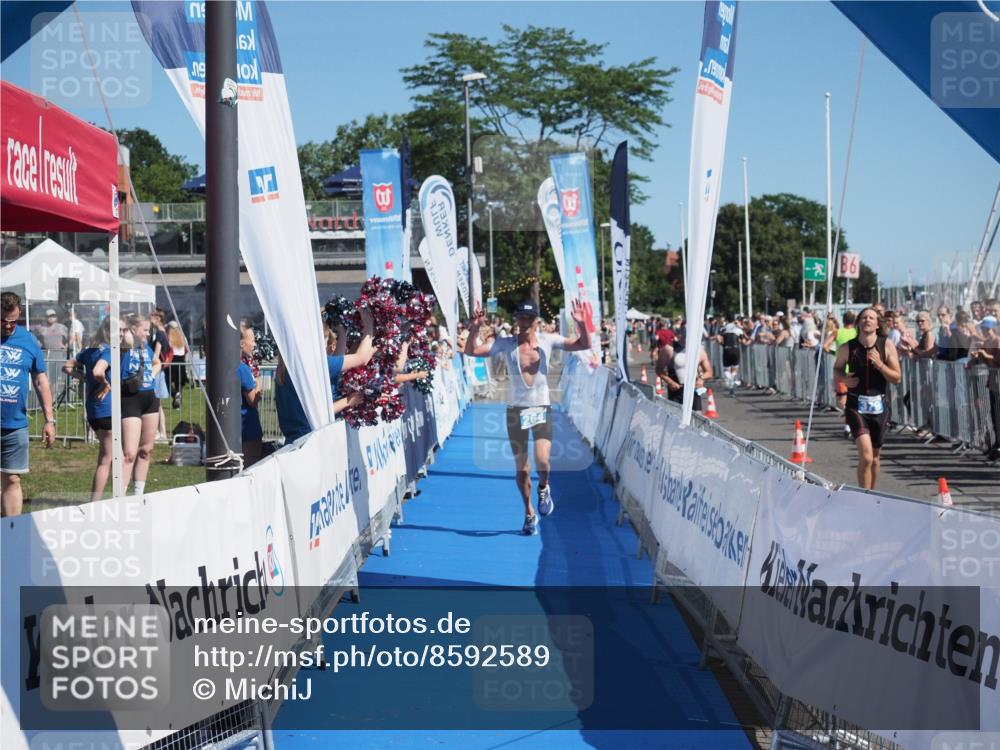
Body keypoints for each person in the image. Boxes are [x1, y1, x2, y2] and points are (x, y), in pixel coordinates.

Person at [465, 298, 591, 535]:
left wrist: (581, 324)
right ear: (516, 320)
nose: (524, 322)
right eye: (520, 318)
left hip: (540, 408)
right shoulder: (505, 344)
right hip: (516, 411)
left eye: (528, 318)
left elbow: (583, 344)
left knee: (542, 459)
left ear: (536, 320)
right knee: (522, 469)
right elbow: (471, 351)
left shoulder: (548, 340)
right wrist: (475, 328)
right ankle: (529, 512)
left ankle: (544, 487)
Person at [274, 309, 373, 444]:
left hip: (293, 441)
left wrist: (342, 333)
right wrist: (369, 328)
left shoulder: (286, 366)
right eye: (325, 339)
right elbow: (362, 358)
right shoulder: (315, 364)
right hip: (312, 440)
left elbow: (337, 363)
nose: (326, 345)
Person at [833, 307, 902, 490]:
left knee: (876, 458)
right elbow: (837, 368)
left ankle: (872, 492)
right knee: (866, 457)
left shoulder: (886, 345)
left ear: (878, 323)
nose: (867, 320)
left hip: (879, 405)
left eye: (871, 318)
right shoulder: (848, 347)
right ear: (858, 323)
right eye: (863, 318)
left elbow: (897, 377)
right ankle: (863, 494)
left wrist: (880, 364)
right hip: (856, 405)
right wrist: (844, 378)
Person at [1, 292, 56, 516]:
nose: (8, 326)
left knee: (12, 479)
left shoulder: (29, 340)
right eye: (3, 320)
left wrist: (50, 420)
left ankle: (11, 535)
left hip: (15, 426)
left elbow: (41, 382)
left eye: (13, 321)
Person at [64, 317, 122, 501]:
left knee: (109, 456)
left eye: (122, 330)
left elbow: (67, 367)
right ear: (106, 330)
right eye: (117, 330)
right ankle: (101, 502)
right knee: (111, 458)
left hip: (94, 409)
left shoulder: (90, 350)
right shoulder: (108, 351)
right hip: (106, 408)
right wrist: (105, 383)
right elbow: (98, 371)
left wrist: (84, 378)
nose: (120, 334)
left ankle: (105, 500)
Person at [120, 313, 161, 496]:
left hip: (149, 398)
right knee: (129, 453)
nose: (147, 333)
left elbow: (156, 362)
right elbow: (127, 336)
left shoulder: (146, 347)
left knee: (146, 450)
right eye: (144, 329)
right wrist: (129, 328)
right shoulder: (126, 344)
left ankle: (138, 494)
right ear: (133, 329)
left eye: (148, 330)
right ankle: (120, 495)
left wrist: (151, 374)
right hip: (130, 399)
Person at [656, 331, 714, 412]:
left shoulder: (699, 351)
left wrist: (701, 378)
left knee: (696, 419)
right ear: (679, 336)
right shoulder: (669, 349)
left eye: (688, 338)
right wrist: (670, 382)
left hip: (693, 390)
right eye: (684, 336)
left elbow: (709, 372)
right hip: (676, 390)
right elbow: (659, 370)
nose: (685, 340)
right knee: (676, 419)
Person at [238, 326, 263, 467]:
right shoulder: (242, 368)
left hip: (235, 428)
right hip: (248, 428)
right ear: (242, 343)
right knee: (251, 466)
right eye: (252, 341)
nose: (254, 345)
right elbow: (253, 400)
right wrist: (259, 381)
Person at [833, 311, 858, 438]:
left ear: (843, 320)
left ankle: (848, 424)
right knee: (852, 399)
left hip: (841, 370)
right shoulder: (857, 332)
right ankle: (850, 422)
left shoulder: (838, 332)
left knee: (842, 400)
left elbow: (825, 346)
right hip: (855, 370)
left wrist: (836, 354)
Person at [716, 315, 743, 395]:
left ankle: (731, 383)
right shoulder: (737, 329)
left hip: (726, 349)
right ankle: (733, 383)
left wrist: (722, 344)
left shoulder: (723, 328)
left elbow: (718, 338)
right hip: (735, 349)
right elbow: (741, 340)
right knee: (735, 368)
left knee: (727, 369)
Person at [166, 321, 189, 408]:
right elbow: (186, 351)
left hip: (172, 361)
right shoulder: (183, 337)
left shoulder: (168, 338)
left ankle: (174, 394)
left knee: (167, 381)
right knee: (179, 383)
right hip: (181, 361)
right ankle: (178, 404)